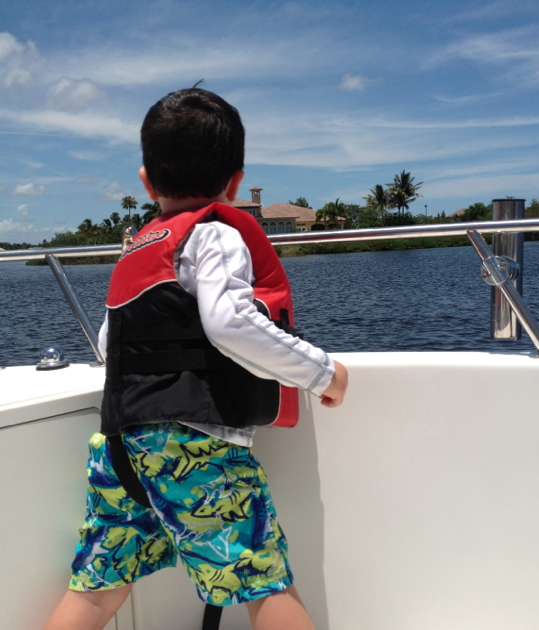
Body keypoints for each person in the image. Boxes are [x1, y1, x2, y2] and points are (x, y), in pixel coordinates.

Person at [44, 86, 348, 630]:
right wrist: (323, 372)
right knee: (264, 582)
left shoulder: (138, 250)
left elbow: (109, 346)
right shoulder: (214, 236)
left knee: (96, 591)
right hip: (195, 451)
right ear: (235, 181)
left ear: (145, 179)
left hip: (119, 449)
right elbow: (231, 323)